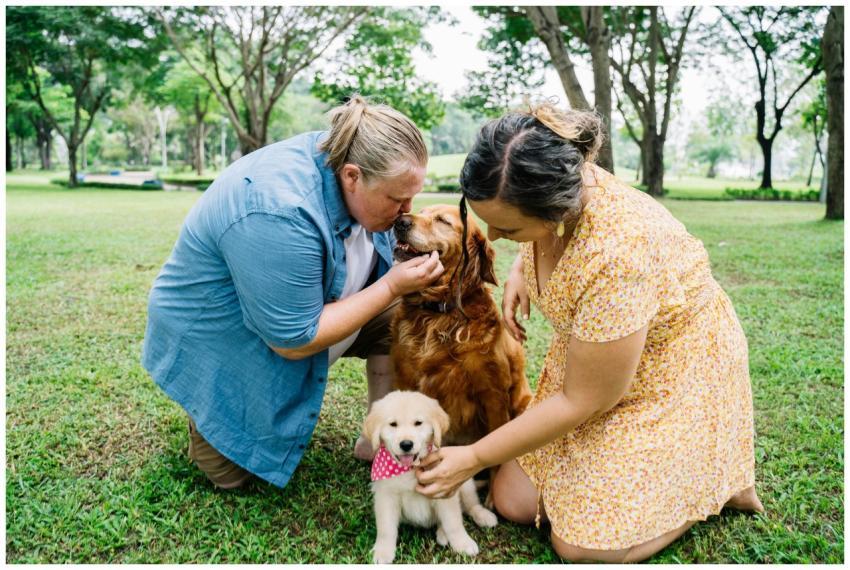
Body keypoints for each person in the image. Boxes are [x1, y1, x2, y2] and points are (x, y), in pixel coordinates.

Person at [415, 102, 764, 563]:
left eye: (509, 228)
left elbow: (583, 400)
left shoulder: (620, 254)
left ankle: (710, 488)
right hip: (598, 356)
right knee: (514, 501)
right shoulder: (554, 173)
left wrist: (473, 457)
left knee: (581, 545)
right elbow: (538, 231)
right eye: (488, 221)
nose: (494, 239)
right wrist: (523, 265)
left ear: (553, 211)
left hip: (674, 367)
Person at [142, 96, 444, 490]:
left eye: (412, 196)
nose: (407, 211)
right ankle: (215, 405)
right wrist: (391, 285)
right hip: (226, 337)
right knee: (236, 478)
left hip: (308, 310)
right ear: (352, 177)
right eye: (396, 199)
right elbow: (293, 341)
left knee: (403, 318)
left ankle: (381, 439)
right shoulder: (279, 210)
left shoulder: (349, 158)